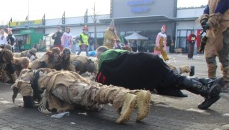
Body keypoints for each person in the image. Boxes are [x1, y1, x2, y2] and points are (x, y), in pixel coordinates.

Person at [95, 46, 225, 110]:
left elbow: (99, 84)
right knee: (172, 81)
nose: (97, 59)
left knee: (174, 80)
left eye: (97, 57)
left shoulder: (104, 61)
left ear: (99, 55)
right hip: (150, 60)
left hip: (148, 68)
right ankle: (210, 82)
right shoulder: (116, 52)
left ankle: (207, 92)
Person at [11, 68, 151, 124]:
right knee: (93, 89)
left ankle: (124, 97)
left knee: (88, 94)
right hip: (64, 77)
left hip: (58, 83)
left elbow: (23, 85)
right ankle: (137, 95)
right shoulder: (41, 71)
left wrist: (27, 104)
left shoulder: (25, 75)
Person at [199, 0, 229, 92]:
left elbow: (219, 12)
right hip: (212, 32)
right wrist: (203, 20)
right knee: (209, 56)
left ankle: (227, 82)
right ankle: (211, 80)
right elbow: (206, 11)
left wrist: (209, 23)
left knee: (224, 57)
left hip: (224, 30)